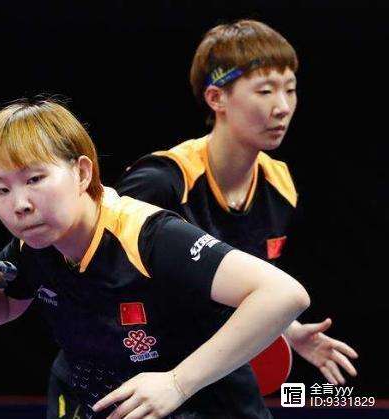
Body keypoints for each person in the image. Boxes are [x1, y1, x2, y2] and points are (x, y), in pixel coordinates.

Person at [0, 98, 309, 418]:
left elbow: (284, 294)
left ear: (82, 172)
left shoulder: (148, 236)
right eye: (1, 189)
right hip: (97, 398)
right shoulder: (34, 244)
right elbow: (1, 311)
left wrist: (178, 383)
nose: (19, 205)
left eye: (35, 179)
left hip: (204, 404)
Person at [115, 19, 358, 387]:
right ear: (217, 98)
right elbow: (97, 277)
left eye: (290, 90)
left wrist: (286, 328)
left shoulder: (279, 186)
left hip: (205, 369)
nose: (282, 107)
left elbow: (234, 285)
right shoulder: (160, 183)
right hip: (134, 365)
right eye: (265, 91)